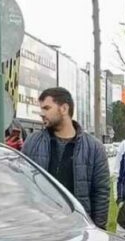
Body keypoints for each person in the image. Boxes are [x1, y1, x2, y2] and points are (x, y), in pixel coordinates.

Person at [22, 87, 111, 229]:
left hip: (79, 229)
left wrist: (97, 230)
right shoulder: (32, 142)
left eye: (47, 108)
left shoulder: (94, 148)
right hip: (40, 228)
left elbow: (101, 193)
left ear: (64, 108)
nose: (42, 114)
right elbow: (23, 186)